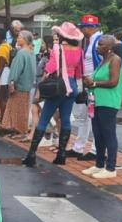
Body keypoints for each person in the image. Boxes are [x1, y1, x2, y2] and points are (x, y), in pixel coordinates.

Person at [23, 22, 84, 167]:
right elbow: (78, 73)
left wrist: (40, 88)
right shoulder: (79, 51)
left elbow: (49, 69)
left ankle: (31, 155)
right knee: (65, 119)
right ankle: (61, 154)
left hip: (58, 87)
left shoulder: (58, 49)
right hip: (72, 87)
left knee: (44, 118)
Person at [83, 35, 122, 179]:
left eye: (100, 44)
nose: (97, 47)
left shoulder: (115, 60)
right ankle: (99, 164)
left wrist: (94, 84)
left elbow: (113, 81)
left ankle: (111, 168)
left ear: (109, 48)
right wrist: (89, 80)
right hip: (97, 102)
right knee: (98, 134)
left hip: (109, 102)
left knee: (108, 134)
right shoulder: (102, 61)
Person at [72, 14, 103, 162]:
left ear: (91, 28)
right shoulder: (89, 41)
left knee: (95, 117)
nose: (82, 29)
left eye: (84, 27)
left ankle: (96, 149)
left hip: (95, 84)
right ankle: (78, 147)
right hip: (88, 84)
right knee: (85, 116)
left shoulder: (99, 42)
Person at [2, 30, 35, 135]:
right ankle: (21, 130)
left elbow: (16, 70)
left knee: (16, 109)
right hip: (27, 85)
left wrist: (11, 82)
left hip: (19, 85)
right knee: (23, 109)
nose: (18, 39)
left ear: (25, 39)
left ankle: (18, 131)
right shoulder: (31, 53)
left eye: (20, 37)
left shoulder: (21, 53)